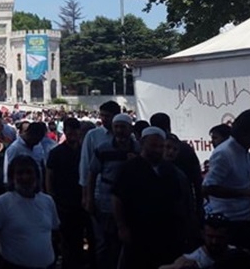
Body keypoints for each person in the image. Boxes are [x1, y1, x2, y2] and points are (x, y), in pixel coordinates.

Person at [112, 126, 186, 269]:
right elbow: (117, 198)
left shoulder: (169, 170)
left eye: (161, 146)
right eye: (153, 146)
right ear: (142, 143)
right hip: (138, 232)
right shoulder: (129, 168)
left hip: (166, 233)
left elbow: (178, 199)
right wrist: (122, 227)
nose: (157, 150)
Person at [202, 109, 250, 252]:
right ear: (243, 132)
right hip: (227, 223)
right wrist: (247, 192)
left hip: (245, 219)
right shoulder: (224, 154)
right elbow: (208, 187)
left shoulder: (246, 154)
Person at [0, 155, 60, 269]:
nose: (25, 177)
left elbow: (54, 234)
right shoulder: (1, 203)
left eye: (29, 172)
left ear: (37, 175)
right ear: (12, 177)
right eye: (20, 173)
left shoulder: (48, 201)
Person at [87, 113, 140, 269]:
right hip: (105, 203)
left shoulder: (139, 148)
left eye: (123, 127)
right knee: (105, 242)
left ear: (130, 129)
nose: (119, 130)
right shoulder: (103, 149)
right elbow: (92, 174)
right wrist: (89, 198)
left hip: (131, 203)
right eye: (116, 127)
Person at [46, 117, 91, 268]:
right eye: (69, 132)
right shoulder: (56, 152)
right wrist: (51, 196)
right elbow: (49, 175)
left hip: (83, 200)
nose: (73, 134)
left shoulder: (85, 151)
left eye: (75, 131)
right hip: (63, 202)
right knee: (67, 240)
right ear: (64, 132)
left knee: (85, 237)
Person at [159, 214, 235, 269]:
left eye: (219, 237)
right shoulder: (192, 258)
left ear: (228, 236)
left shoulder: (236, 254)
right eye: (210, 237)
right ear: (203, 234)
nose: (214, 241)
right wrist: (176, 266)